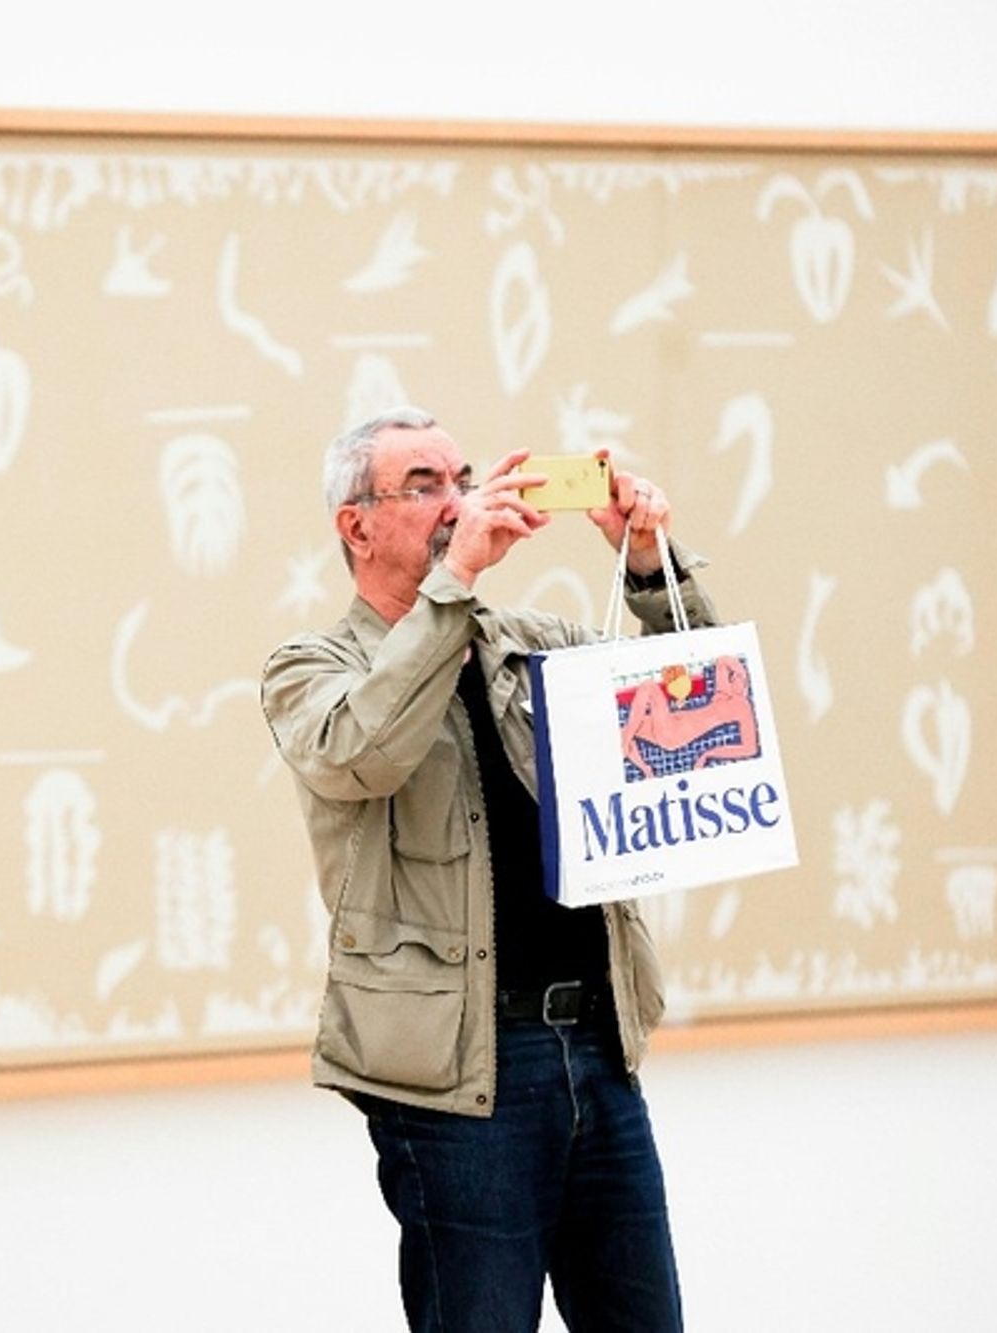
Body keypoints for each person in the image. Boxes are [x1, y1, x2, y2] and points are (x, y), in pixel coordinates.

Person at [260, 406, 719, 1332]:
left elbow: (696, 712)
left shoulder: (531, 642)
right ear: (356, 526)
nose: (455, 500)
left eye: (460, 478)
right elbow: (370, 749)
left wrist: (647, 564)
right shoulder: (308, 668)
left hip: (596, 1045)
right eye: (423, 485)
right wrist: (459, 575)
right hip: (460, 1075)